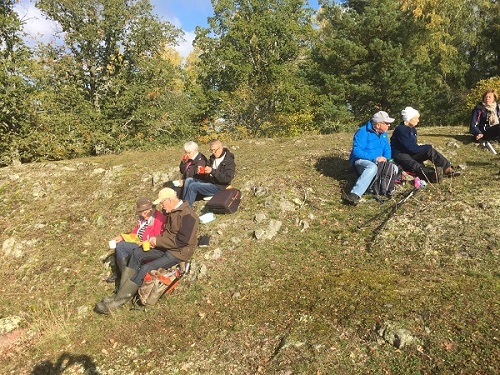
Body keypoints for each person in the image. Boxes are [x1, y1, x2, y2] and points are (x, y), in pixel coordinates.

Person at [94, 188, 199, 314]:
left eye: (162, 203)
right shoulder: (172, 211)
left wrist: (157, 241)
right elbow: (168, 234)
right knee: (137, 253)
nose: (161, 206)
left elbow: (181, 241)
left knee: (146, 268)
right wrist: (155, 240)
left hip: (178, 253)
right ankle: (122, 291)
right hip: (167, 247)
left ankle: (117, 303)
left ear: (170, 200)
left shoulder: (189, 216)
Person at [391, 107, 459, 183]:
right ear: (409, 119)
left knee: (429, 151)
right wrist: (427, 146)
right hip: (400, 155)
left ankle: (447, 168)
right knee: (415, 164)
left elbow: (413, 147)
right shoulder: (401, 129)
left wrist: (426, 148)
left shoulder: (412, 129)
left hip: (410, 153)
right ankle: (432, 175)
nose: (418, 120)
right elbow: (410, 148)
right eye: (416, 118)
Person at [106, 197, 165, 284]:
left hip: (149, 248)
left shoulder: (158, 219)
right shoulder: (143, 219)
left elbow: (158, 239)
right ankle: (122, 274)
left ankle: (125, 278)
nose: (143, 215)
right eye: (141, 213)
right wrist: (122, 237)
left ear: (151, 209)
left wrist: (144, 242)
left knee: (121, 247)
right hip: (138, 243)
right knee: (119, 243)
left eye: (145, 213)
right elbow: (136, 233)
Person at [345, 111, 394, 206]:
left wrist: (387, 160)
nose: (389, 125)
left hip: (378, 162)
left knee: (394, 168)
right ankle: (354, 194)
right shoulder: (362, 132)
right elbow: (356, 151)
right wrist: (374, 158)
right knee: (372, 167)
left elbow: (387, 149)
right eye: (387, 123)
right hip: (361, 161)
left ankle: (382, 188)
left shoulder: (384, 134)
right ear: (379, 124)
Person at [182, 139, 236, 206]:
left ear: (221, 147)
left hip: (220, 186)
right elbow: (208, 172)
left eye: (215, 150)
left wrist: (212, 171)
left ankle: (186, 209)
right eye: (211, 150)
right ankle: (183, 204)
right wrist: (204, 171)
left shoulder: (229, 161)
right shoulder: (212, 158)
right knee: (189, 180)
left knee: (193, 186)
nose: (213, 152)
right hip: (210, 183)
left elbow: (227, 179)